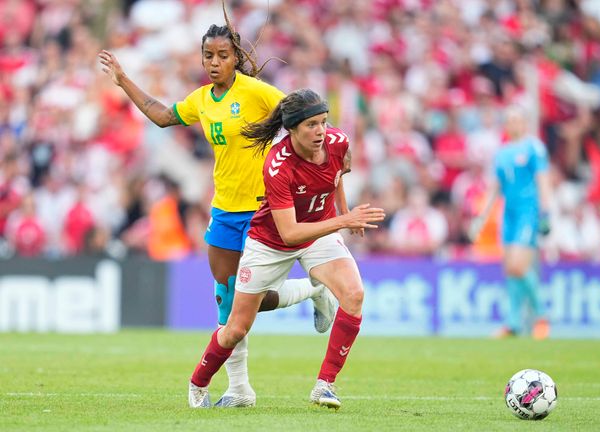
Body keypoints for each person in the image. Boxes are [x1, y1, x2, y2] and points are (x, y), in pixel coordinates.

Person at [98, 14, 337, 408]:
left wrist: (321, 157)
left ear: (235, 56)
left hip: (264, 209)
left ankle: (313, 290)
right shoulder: (201, 100)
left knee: (248, 299)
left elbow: (301, 116)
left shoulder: (258, 92)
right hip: (224, 210)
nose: (213, 62)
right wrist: (124, 79)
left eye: (222, 55)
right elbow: (161, 115)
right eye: (208, 55)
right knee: (228, 298)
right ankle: (241, 389)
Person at [187, 88, 385, 410]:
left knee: (354, 294)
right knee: (236, 327)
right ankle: (198, 382)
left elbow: (336, 175)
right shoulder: (278, 166)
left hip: (320, 230)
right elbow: (290, 233)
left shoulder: (338, 142)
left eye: (323, 122)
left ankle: (325, 386)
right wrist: (343, 219)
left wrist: (345, 214)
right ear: (291, 129)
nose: (321, 131)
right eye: (311, 125)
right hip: (270, 242)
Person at [471, 106, 554, 339]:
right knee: (510, 269)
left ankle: (541, 316)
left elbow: (543, 181)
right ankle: (514, 323)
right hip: (508, 214)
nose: (513, 124)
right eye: (509, 120)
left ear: (524, 123)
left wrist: (546, 213)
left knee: (519, 265)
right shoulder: (502, 153)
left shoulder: (533, 148)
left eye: (517, 120)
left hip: (529, 212)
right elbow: (495, 187)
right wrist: (481, 217)